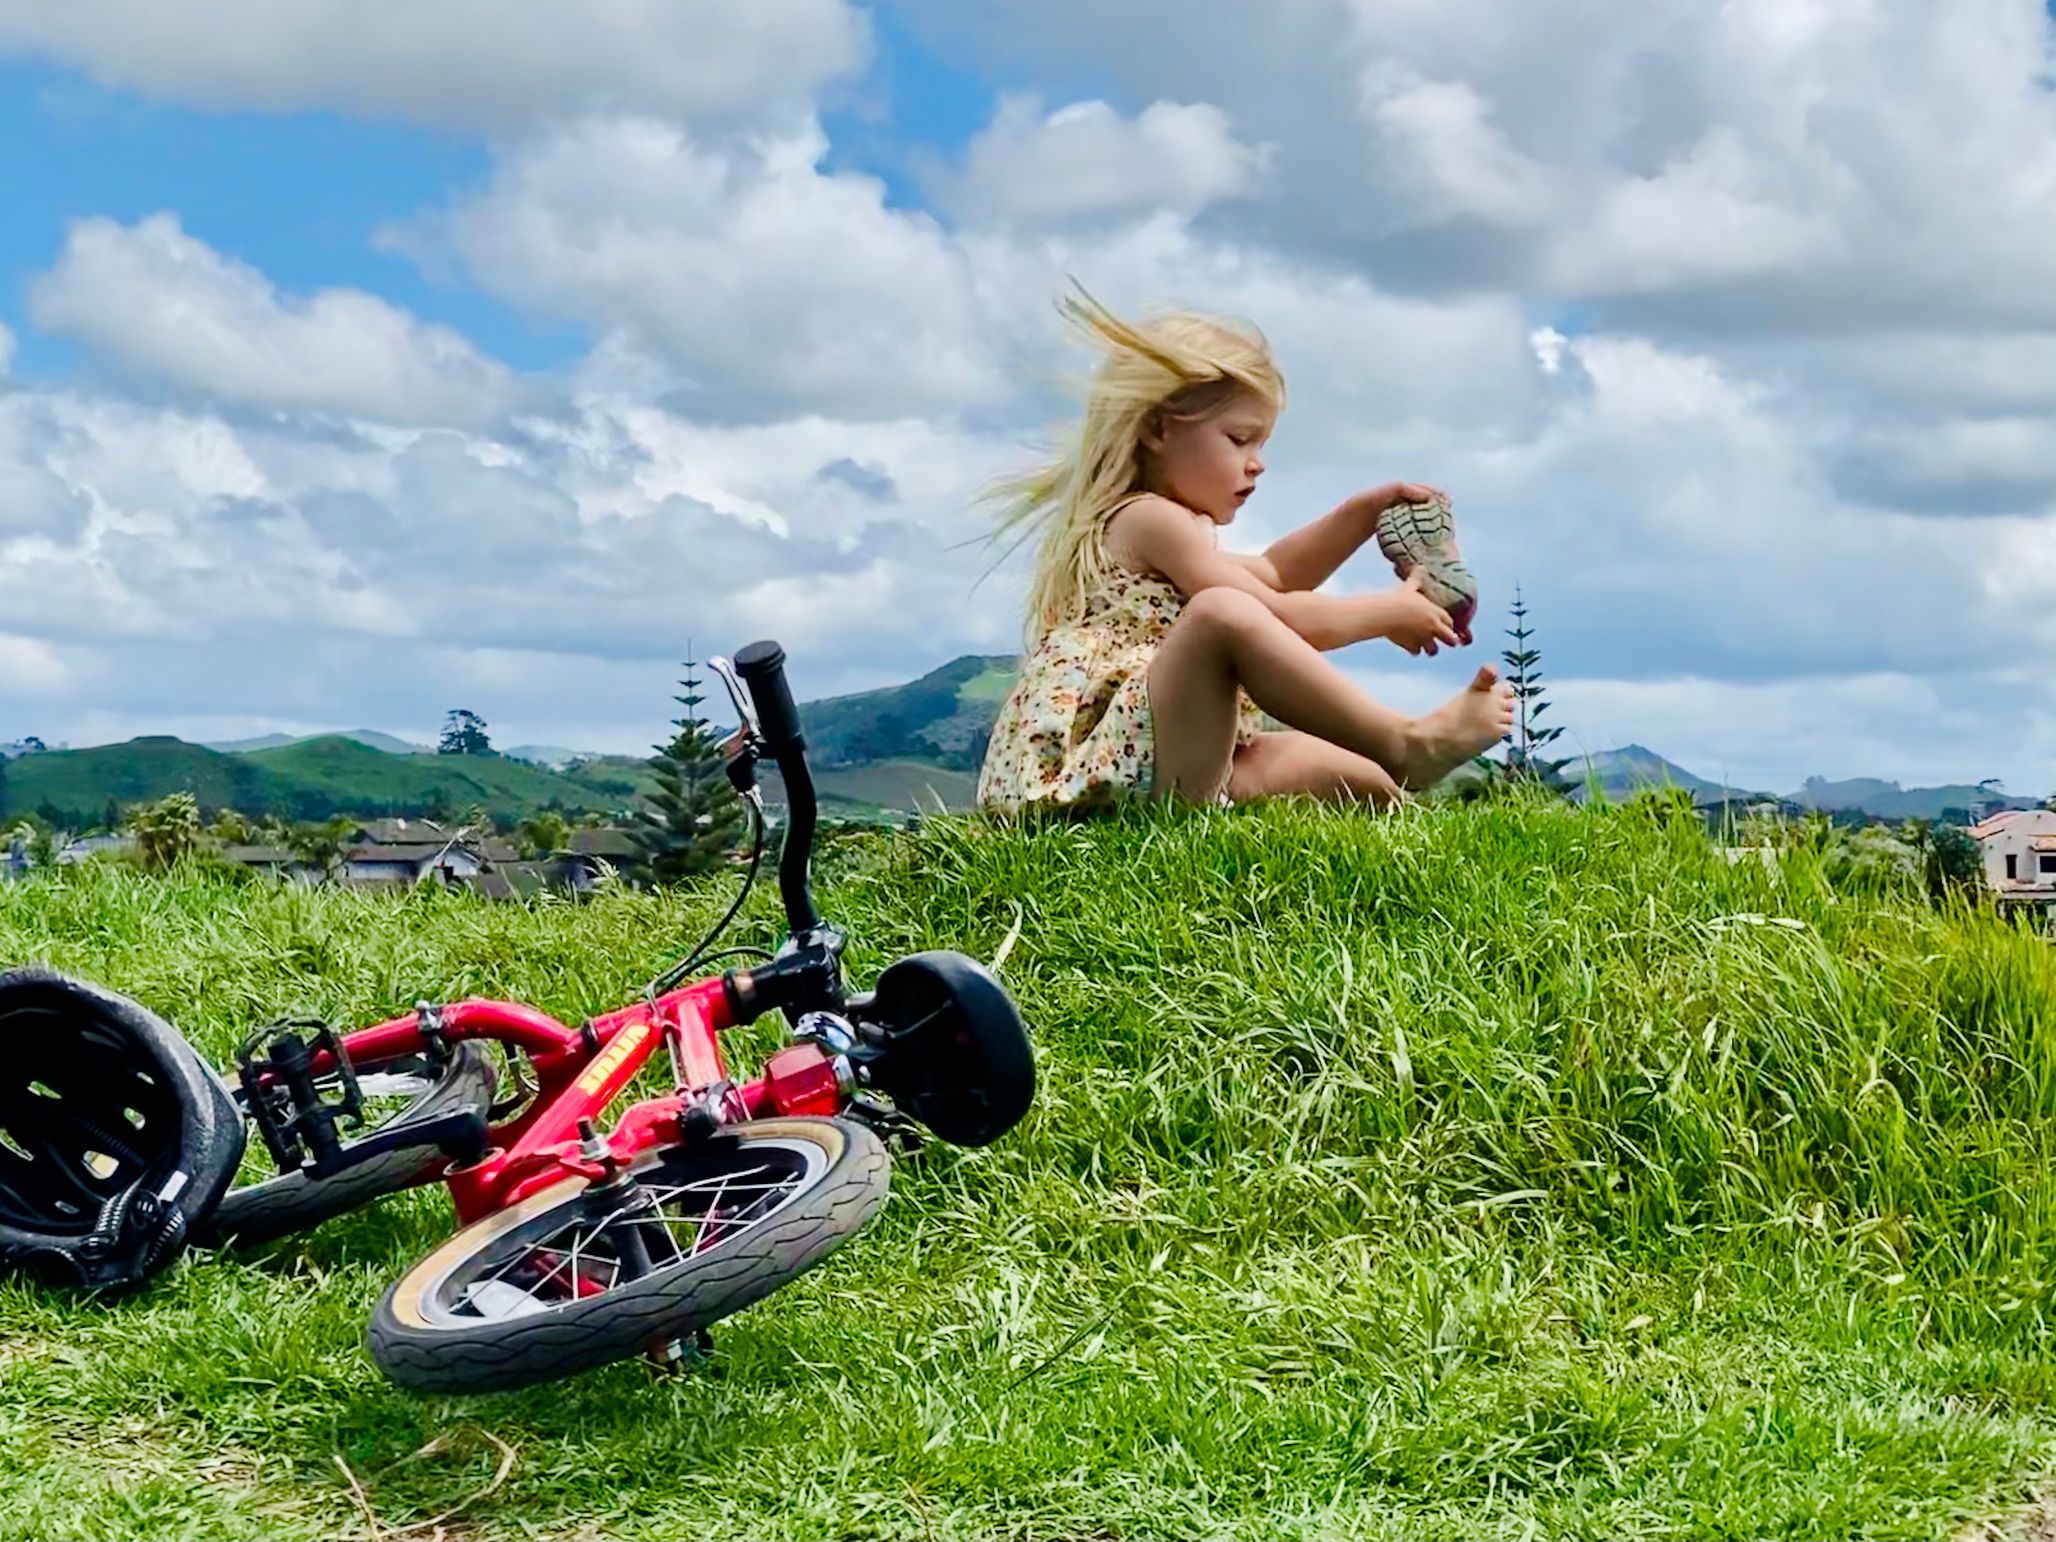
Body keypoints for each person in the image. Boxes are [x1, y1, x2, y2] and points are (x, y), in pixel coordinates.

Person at [976, 284, 1515, 815]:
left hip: (1164, 762)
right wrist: (1384, 612)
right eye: (1238, 439)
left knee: (1358, 780)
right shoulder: (1147, 519)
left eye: (1261, 444)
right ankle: (1407, 744)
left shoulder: (1160, 536)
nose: (1257, 463)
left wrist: (1362, 514)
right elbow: (1270, 613)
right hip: (1100, 781)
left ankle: (1396, 793)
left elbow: (1275, 572)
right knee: (1221, 612)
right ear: (1158, 430)